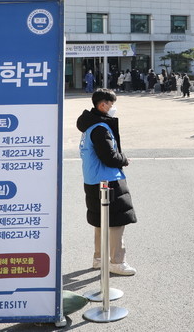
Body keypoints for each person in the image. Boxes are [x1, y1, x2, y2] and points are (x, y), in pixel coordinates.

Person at [77, 89, 137, 275]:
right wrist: (124, 159)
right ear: (102, 105)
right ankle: (117, 262)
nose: (113, 107)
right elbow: (109, 157)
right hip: (109, 179)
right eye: (111, 104)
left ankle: (99, 258)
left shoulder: (89, 126)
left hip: (92, 178)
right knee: (117, 221)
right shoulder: (101, 128)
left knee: (100, 221)